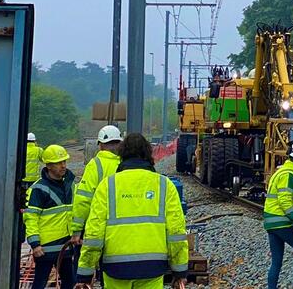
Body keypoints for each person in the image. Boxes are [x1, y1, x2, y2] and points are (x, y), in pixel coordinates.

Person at [75, 133, 188, 289]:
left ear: (122, 155)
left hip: (115, 268)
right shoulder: (164, 185)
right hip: (152, 268)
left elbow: (94, 233)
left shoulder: (108, 186)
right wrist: (179, 271)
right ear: (149, 154)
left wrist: (85, 273)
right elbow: (176, 232)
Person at [24, 144, 76, 289]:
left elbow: (76, 211)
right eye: (59, 163)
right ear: (49, 165)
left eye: (64, 162)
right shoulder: (38, 189)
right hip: (46, 247)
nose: (63, 166)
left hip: (65, 244)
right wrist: (35, 244)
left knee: (69, 282)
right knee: (40, 283)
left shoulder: (71, 185)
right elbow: (31, 217)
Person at [263, 145, 293, 289]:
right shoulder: (291, 174)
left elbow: (282, 196)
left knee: (276, 261)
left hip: (271, 222)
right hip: (282, 222)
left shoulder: (281, 171)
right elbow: (284, 201)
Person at [72, 124, 123, 237]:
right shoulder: (125, 164)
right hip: (121, 226)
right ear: (120, 143)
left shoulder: (95, 165)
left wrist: (77, 229)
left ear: (100, 145)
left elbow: (84, 199)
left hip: (98, 224)